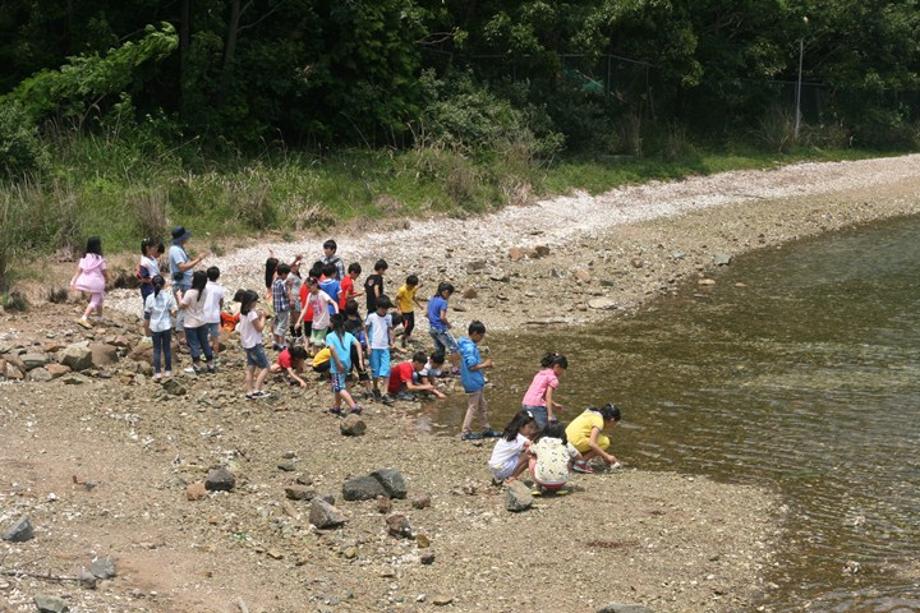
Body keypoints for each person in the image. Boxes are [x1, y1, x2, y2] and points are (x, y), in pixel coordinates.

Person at [457, 321, 499, 440]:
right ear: (475, 333)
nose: (481, 339)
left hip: (472, 380)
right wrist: (485, 364)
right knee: (473, 406)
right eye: (481, 336)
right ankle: (466, 432)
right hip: (473, 381)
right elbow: (471, 366)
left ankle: (486, 428)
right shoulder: (470, 348)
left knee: (482, 405)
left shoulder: (464, 344)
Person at [168, 226, 206, 341]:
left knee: (186, 309)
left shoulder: (179, 248)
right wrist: (198, 259)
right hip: (181, 284)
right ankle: (181, 336)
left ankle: (185, 335)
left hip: (185, 282)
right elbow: (182, 267)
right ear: (181, 238)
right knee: (183, 309)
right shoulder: (175, 250)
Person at [565, 404, 623, 473]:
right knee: (605, 442)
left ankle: (576, 458)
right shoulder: (599, 421)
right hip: (575, 442)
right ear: (612, 420)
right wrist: (607, 456)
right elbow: (592, 443)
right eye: (615, 423)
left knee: (598, 439)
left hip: (565, 440)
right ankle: (581, 463)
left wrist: (603, 455)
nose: (614, 426)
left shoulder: (591, 413)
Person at [325, 313, 364, 416]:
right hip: (347, 363)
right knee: (339, 384)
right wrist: (360, 360)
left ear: (333, 324)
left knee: (338, 387)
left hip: (338, 366)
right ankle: (337, 406)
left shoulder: (330, 336)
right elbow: (358, 344)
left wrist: (338, 364)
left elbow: (332, 349)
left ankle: (353, 406)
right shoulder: (348, 335)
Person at [177, 270, 214, 374]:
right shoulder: (205, 291)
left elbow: (182, 305)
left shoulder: (190, 293)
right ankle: (210, 364)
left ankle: (196, 366)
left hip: (190, 323)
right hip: (202, 321)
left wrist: (179, 296)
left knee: (193, 344)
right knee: (205, 343)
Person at [488, 409, 539, 484]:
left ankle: (502, 477)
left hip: (495, 468)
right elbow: (533, 447)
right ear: (521, 426)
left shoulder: (510, 434)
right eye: (530, 427)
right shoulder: (519, 438)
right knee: (530, 456)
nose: (531, 430)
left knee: (523, 453)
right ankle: (512, 477)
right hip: (501, 469)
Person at [236, 289, 270, 399]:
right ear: (251, 302)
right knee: (266, 367)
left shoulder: (242, 313)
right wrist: (263, 318)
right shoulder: (251, 314)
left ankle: (249, 391)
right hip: (254, 344)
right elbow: (259, 328)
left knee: (251, 368)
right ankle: (257, 390)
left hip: (247, 343)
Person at [528, 423, 580, 493]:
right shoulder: (564, 443)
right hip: (561, 481)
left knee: (532, 459)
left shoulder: (540, 441)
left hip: (542, 480)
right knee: (569, 461)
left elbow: (528, 451)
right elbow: (578, 456)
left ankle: (537, 486)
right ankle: (559, 487)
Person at [143, 275, 177, 380]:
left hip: (154, 327)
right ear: (164, 284)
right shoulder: (169, 297)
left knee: (156, 350)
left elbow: (146, 316)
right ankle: (168, 370)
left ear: (152, 285)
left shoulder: (149, 298)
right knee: (167, 349)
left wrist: (146, 330)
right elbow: (174, 312)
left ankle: (157, 372)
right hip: (166, 326)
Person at [522, 352, 568, 429]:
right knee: (546, 429)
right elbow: (548, 396)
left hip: (526, 403)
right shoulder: (553, 379)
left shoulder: (540, 374)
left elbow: (539, 393)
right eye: (563, 370)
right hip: (537, 406)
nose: (563, 373)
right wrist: (550, 415)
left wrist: (554, 404)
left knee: (532, 428)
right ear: (557, 366)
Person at [70, 236, 109, 328]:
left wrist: (73, 281)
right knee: (95, 300)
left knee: (100, 298)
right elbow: (104, 272)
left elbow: (78, 271)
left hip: (84, 281)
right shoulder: (99, 259)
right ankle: (84, 318)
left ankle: (99, 318)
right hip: (96, 283)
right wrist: (107, 279)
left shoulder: (84, 257)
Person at [364, 295, 395, 404]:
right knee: (375, 371)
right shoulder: (371, 317)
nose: (384, 311)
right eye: (383, 308)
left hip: (384, 347)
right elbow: (366, 331)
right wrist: (368, 345)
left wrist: (391, 341)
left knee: (386, 370)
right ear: (378, 307)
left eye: (386, 308)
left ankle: (385, 393)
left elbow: (390, 329)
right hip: (374, 347)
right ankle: (375, 387)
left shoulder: (388, 317)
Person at [296, 278, 338, 355]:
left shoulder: (322, 294)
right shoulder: (310, 295)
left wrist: (337, 314)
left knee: (317, 343)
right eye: (307, 287)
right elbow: (305, 309)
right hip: (315, 323)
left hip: (323, 323)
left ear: (315, 285)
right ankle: (321, 358)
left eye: (309, 287)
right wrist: (298, 321)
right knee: (313, 342)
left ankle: (320, 359)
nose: (308, 289)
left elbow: (334, 303)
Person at [343, 298, 373, 399]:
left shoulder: (345, 324)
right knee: (362, 370)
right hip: (359, 351)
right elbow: (364, 333)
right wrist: (368, 346)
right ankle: (369, 391)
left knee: (348, 373)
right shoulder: (359, 321)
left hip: (349, 352)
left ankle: (348, 394)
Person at [426, 282, 459, 357]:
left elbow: (427, 314)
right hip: (440, 329)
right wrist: (448, 325)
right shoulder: (443, 302)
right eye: (449, 294)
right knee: (454, 348)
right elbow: (442, 317)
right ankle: (455, 368)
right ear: (446, 292)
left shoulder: (432, 299)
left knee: (439, 350)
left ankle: (435, 366)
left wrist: (433, 320)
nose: (449, 297)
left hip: (432, 328)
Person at [203, 266, 226, 359]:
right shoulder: (219, 289)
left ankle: (205, 355)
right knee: (215, 338)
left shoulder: (204, 287)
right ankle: (215, 355)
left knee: (204, 337)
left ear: (207, 275)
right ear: (218, 276)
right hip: (215, 316)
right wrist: (219, 309)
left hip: (204, 315)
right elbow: (221, 302)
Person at [395, 274, 423, 348]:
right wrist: (399, 309)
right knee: (407, 326)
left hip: (410, 310)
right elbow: (397, 299)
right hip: (404, 311)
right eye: (412, 286)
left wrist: (419, 306)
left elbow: (413, 297)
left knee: (412, 325)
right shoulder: (402, 290)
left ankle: (406, 336)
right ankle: (404, 339)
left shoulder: (412, 288)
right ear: (409, 284)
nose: (413, 287)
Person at [137, 238, 161, 315]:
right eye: (154, 247)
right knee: (150, 307)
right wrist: (155, 280)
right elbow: (142, 279)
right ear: (148, 248)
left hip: (155, 285)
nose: (156, 248)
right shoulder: (144, 262)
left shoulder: (152, 258)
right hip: (148, 288)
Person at [271, 263, 292, 350]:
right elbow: (286, 295)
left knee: (277, 324)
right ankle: (282, 343)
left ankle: (276, 342)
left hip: (276, 307)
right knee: (282, 326)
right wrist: (289, 287)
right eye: (286, 274)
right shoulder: (282, 283)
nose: (287, 276)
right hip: (283, 307)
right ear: (283, 273)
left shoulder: (275, 282)